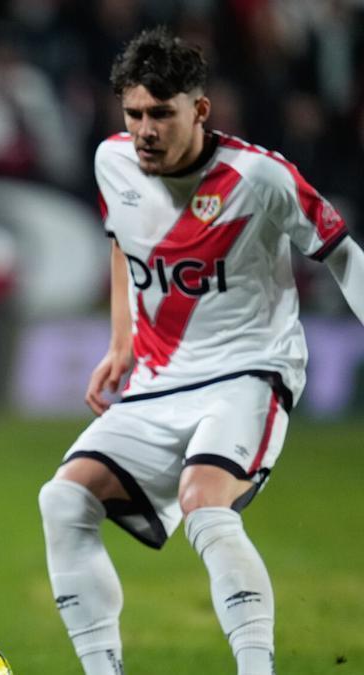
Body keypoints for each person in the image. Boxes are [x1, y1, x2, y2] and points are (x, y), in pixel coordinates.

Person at [38, 27, 364, 675]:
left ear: (200, 110)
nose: (145, 130)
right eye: (134, 113)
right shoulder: (113, 161)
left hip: (250, 369)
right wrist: (122, 340)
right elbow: (121, 243)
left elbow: (344, 257)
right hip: (160, 377)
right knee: (63, 498)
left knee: (204, 502)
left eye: (162, 113)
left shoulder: (261, 177)